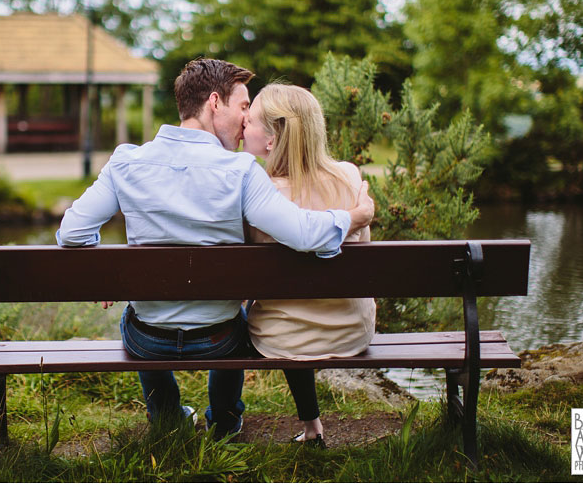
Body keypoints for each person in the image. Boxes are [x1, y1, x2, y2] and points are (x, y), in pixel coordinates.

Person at [57, 58, 374, 438]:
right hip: (218, 340)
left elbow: (72, 232)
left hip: (148, 341)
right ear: (213, 103)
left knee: (134, 318)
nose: (245, 122)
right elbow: (304, 235)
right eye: (243, 107)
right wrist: (356, 215)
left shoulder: (125, 161)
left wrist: (108, 275)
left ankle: (167, 416)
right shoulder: (240, 171)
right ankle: (224, 418)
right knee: (236, 320)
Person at [242, 83, 376, 449]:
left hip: (280, 338)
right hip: (351, 331)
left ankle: (225, 420)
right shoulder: (349, 176)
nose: (242, 123)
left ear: (272, 139)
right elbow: (362, 246)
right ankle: (313, 425)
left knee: (279, 313)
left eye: (250, 119)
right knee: (297, 307)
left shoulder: (261, 196)